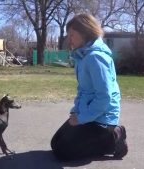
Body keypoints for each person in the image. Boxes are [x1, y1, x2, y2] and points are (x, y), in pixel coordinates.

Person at [50, 14, 128, 162]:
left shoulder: (95, 57)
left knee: (62, 153)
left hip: (103, 119)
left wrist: (81, 118)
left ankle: (115, 135)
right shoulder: (82, 56)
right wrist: (77, 111)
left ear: (84, 32)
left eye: (72, 35)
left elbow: (104, 97)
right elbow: (84, 90)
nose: (69, 39)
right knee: (56, 143)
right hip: (89, 113)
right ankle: (97, 137)